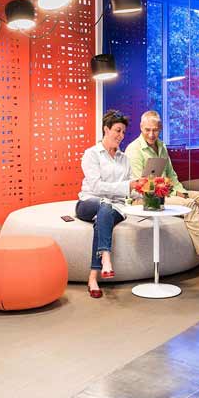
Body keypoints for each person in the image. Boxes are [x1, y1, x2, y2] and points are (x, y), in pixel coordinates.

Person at [126, 111, 199, 279]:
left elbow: (171, 175)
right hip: (145, 199)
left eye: (155, 130)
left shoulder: (161, 146)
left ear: (161, 129)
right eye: (147, 130)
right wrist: (175, 195)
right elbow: (140, 185)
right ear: (141, 128)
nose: (151, 134)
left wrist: (182, 192)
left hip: (167, 192)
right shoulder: (134, 150)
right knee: (189, 206)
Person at [77, 109, 140, 299]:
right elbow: (95, 187)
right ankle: (105, 257)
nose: (121, 136)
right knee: (103, 204)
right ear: (106, 129)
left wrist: (142, 188)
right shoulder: (91, 154)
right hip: (88, 202)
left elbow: (131, 188)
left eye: (123, 132)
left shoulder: (124, 159)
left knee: (105, 212)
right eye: (117, 131)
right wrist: (126, 186)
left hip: (117, 208)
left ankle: (93, 277)